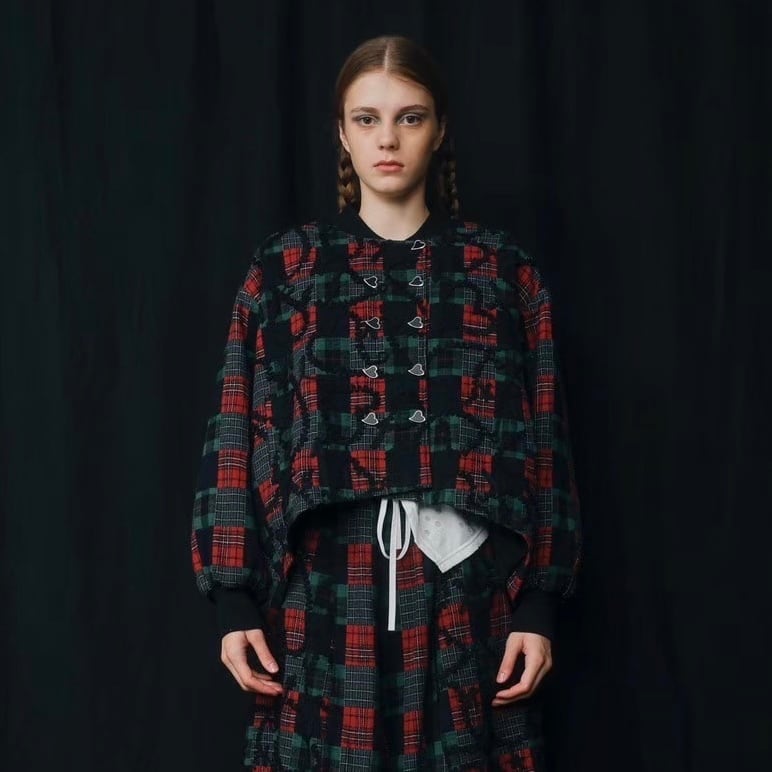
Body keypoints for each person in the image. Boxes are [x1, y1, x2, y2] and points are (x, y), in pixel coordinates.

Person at [190, 34, 582, 771]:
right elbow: (237, 430)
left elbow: (544, 442)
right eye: (366, 119)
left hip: (466, 595)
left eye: (410, 117)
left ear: (440, 129)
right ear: (342, 133)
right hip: (320, 594)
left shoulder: (501, 272)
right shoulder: (286, 271)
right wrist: (233, 596)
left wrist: (539, 602)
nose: (388, 139)